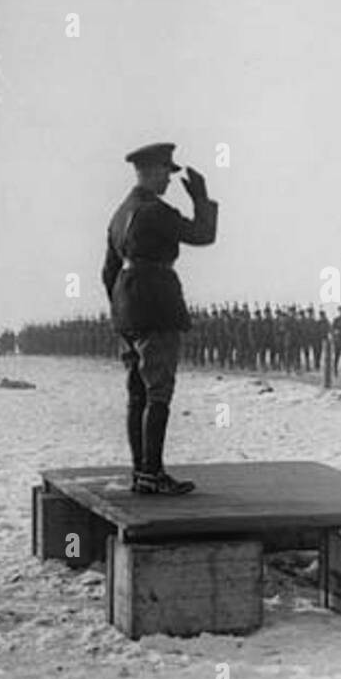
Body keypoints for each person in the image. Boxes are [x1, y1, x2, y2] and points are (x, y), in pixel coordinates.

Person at [102, 142, 218, 495]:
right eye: (167, 173)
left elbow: (107, 271)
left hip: (128, 308)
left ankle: (141, 472)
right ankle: (153, 474)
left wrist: (122, 309)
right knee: (159, 391)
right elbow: (203, 235)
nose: (169, 180)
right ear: (151, 172)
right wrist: (202, 198)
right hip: (157, 303)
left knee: (137, 393)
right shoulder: (155, 210)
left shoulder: (120, 213)